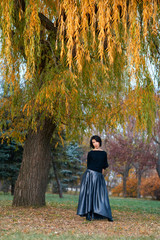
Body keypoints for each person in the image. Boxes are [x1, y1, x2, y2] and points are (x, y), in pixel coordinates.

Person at [77, 135, 113, 221]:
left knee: (102, 195)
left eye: (96, 142)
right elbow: (89, 166)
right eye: (93, 142)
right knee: (89, 194)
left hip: (99, 176)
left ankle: (107, 214)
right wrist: (90, 176)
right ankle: (88, 213)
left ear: (99, 142)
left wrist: (101, 176)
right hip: (89, 175)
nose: (95, 144)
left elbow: (104, 167)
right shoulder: (90, 153)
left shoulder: (104, 154)